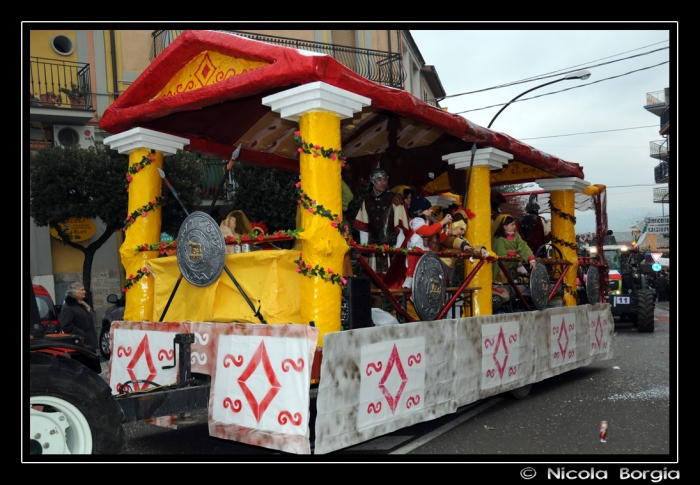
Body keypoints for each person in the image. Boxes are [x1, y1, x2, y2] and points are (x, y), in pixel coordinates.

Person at [352, 163, 409, 273]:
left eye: (384, 179)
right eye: (379, 179)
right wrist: (365, 252)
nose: (383, 182)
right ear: (373, 181)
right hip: (373, 250)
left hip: (391, 247)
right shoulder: (366, 202)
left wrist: (396, 251)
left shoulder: (395, 199)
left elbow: (401, 229)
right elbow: (364, 230)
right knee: (374, 280)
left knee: (391, 281)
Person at [402, 195, 452, 288]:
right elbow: (427, 232)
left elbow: (437, 240)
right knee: (414, 254)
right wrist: (442, 222)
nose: (431, 210)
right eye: (428, 209)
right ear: (420, 212)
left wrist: (446, 234)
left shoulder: (429, 221)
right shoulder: (416, 221)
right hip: (416, 249)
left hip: (425, 252)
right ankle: (409, 278)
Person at [59, 282, 101, 372]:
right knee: (84, 371)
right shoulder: (68, 307)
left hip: (89, 343)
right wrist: (81, 334)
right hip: (80, 345)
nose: (84, 292)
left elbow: (89, 321)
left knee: (92, 371)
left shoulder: (82, 305)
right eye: (82, 290)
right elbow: (66, 326)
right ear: (74, 293)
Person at [492, 214, 537, 284]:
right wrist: (514, 257)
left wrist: (531, 258)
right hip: (502, 269)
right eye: (512, 225)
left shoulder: (516, 236)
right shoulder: (499, 239)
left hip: (512, 267)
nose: (515, 226)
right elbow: (501, 255)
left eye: (514, 224)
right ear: (504, 227)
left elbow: (523, 246)